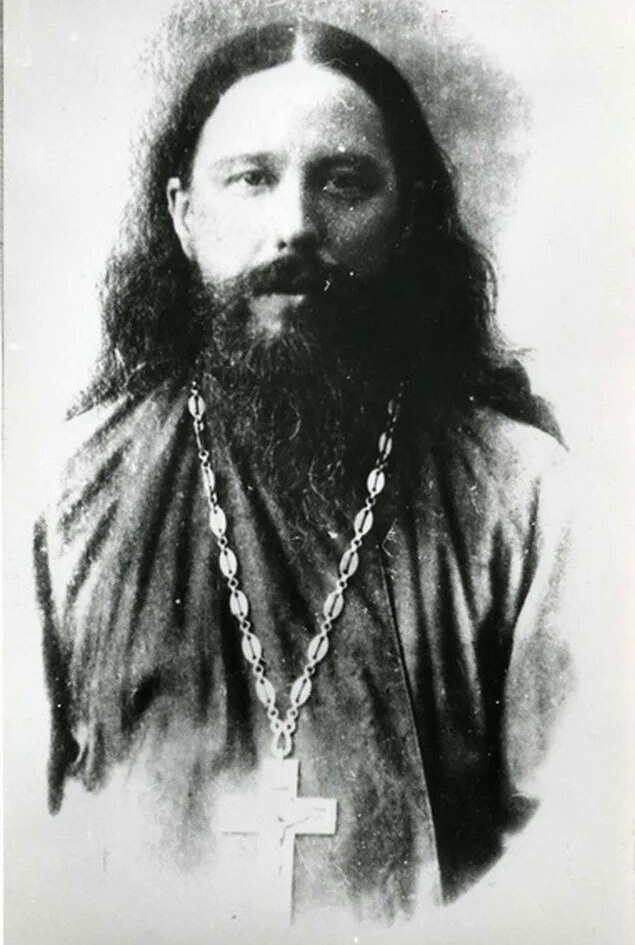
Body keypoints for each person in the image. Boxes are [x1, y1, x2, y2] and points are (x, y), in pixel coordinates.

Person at [33, 18, 572, 939]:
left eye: (343, 181)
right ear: (183, 216)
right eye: (250, 178)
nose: (293, 225)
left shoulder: (525, 495)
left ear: (404, 219)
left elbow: (572, 850)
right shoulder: (65, 488)